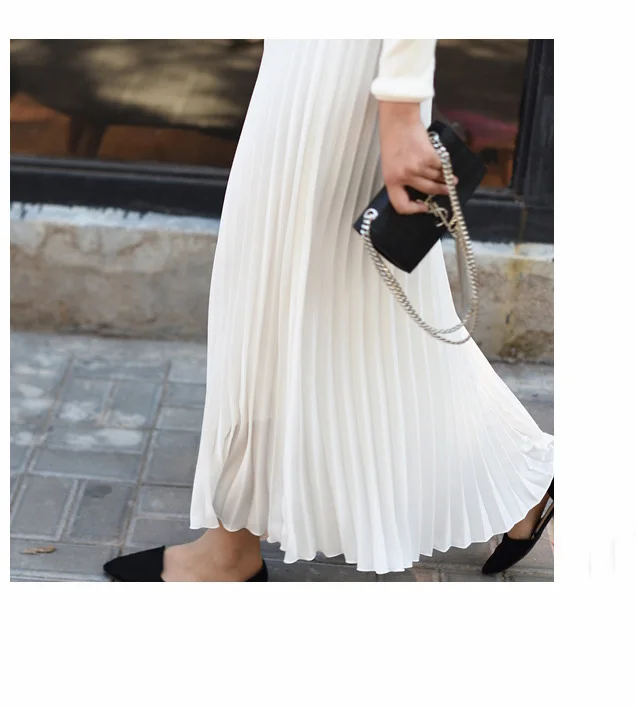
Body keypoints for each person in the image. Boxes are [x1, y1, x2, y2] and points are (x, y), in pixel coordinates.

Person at [103, 39, 554, 582]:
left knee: (281, 301)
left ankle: (230, 547)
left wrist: (401, 107)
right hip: (305, 56)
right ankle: (521, 469)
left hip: (344, 67)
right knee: (331, 308)